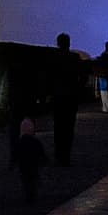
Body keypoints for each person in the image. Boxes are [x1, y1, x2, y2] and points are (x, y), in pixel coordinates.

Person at [48, 32, 85, 165]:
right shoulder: (75, 58)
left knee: (58, 127)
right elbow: (83, 76)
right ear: (69, 43)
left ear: (58, 43)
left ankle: (58, 155)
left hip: (58, 96)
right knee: (69, 127)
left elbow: (48, 77)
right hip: (71, 97)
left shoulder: (53, 58)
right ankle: (66, 156)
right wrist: (78, 88)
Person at [14, 117, 47, 201]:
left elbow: (15, 153)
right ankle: (32, 193)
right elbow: (41, 152)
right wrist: (44, 160)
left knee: (25, 180)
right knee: (33, 179)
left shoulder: (19, 142)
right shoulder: (35, 141)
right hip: (33, 164)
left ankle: (27, 194)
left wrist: (13, 163)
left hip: (23, 165)